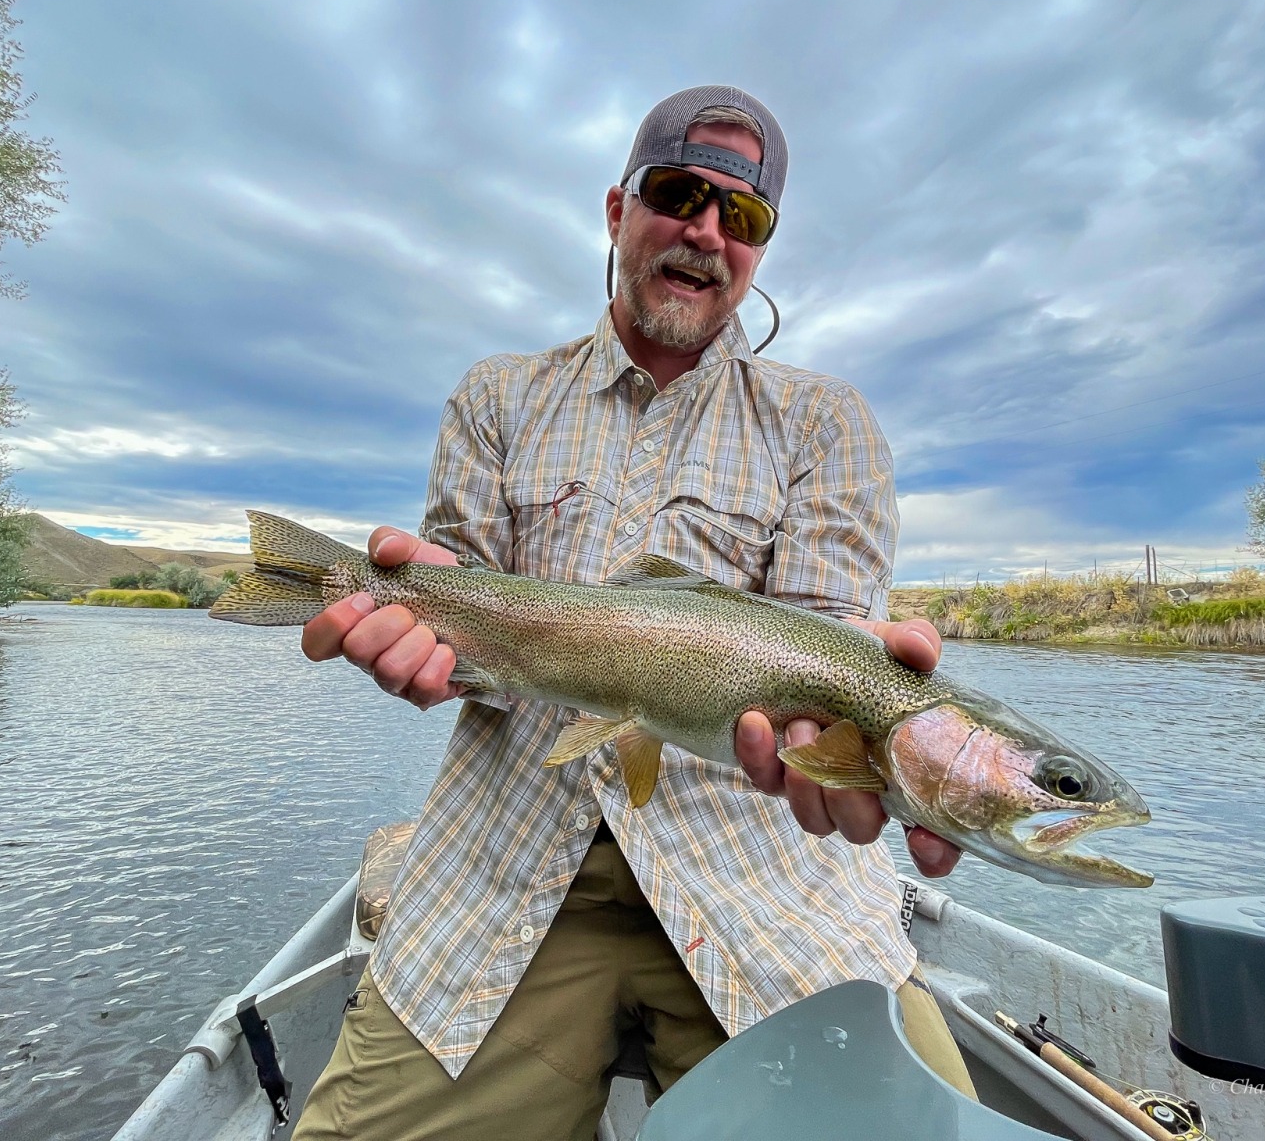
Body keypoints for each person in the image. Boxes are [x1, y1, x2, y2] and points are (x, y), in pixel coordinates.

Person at [292, 86, 973, 1141]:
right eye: (678, 193)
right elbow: (468, 639)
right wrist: (419, 644)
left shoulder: (824, 422)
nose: (705, 230)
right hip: (503, 866)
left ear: (756, 250)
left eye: (740, 217)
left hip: (763, 886)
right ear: (618, 209)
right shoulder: (497, 397)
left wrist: (869, 717)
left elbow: (828, 660)